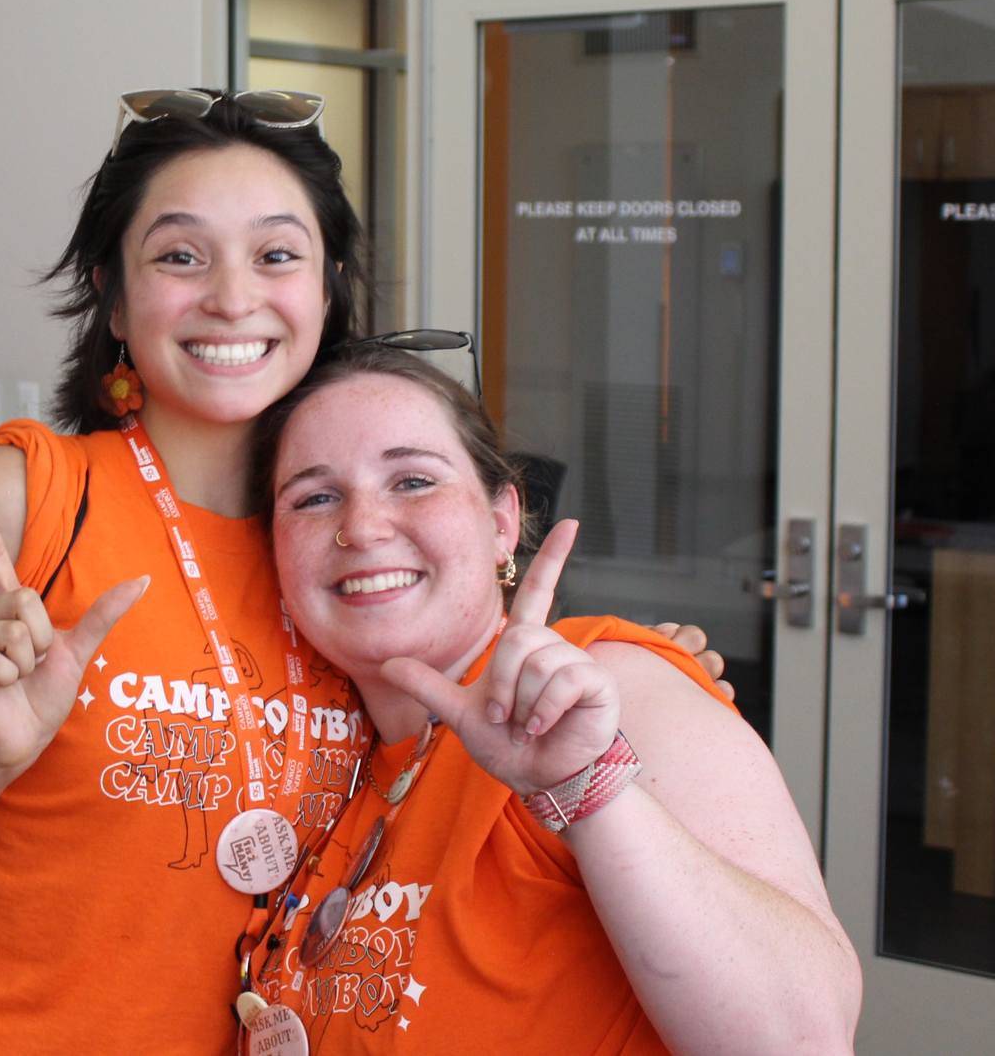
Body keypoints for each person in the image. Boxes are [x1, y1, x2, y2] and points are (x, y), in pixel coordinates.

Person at [0, 89, 728, 1055]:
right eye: (179, 255)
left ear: (327, 292)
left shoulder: (353, 564)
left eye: (277, 254)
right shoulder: (24, 502)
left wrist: (649, 678)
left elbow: (480, 702)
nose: (232, 297)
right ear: (113, 298)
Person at [241, 342, 860, 1054]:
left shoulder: (612, 686)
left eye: (412, 480)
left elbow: (803, 1040)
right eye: (315, 497)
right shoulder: (335, 770)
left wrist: (585, 786)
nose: (363, 526)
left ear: (503, 520)